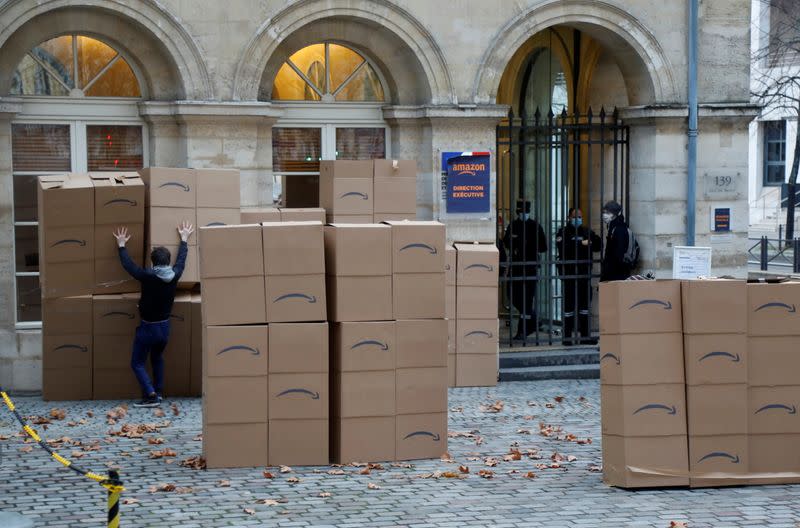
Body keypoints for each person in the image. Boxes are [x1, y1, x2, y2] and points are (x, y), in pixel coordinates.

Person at [114, 222, 194, 407]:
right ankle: (158, 392)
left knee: (137, 363)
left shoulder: (147, 276)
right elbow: (181, 261)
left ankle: (150, 395)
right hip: (164, 328)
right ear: (167, 261)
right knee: (157, 358)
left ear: (153, 262)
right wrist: (184, 239)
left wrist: (121, 245)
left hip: (148, 327)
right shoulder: (175, 274)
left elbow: (129, 266)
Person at [502, 200, 547, 340]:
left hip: (530, 267)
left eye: (525, 212)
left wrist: (531, 245)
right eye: (521, 212)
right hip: (516, 267)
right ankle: (534, 320)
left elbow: (544, 247)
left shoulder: (535, 226)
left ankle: (523, 331)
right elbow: (506, 242)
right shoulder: (513, 225)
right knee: (512, 295)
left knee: (527, 300)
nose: (523, 214)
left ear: (529, 212)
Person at [556, 208, 601, 345]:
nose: (578, 219)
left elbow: (598, 245)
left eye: (580, 216)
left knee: (584, 307)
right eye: (575, 216)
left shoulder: (586, 231)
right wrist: (582, 244)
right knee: (569, 307)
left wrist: (587, 243)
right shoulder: (562, 232)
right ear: (569, 217)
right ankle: (567, 337)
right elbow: (564, 247)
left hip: (583, 274)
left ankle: (585, 337)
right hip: (569, 274)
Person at [600, 200, 633, 282]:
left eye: (608, 213)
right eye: (604, 212)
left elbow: (618, 255)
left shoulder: (619, 229)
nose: (605, 215)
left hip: (616, 275)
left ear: (615, 214)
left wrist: (608, 273)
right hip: (615, 273)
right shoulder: (613, 227)